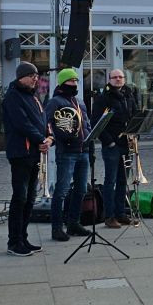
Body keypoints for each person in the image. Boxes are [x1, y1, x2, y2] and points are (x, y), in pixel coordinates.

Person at [0, 62, 50, 256]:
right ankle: (14, 242)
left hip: (34, 152)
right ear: (21, 77)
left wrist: (49, 137)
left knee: (30, 199)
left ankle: (23, 238)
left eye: (36, 76)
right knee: (20, 198)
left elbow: (43, 120)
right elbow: (23, 124)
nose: (35, 79)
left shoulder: (34, 96)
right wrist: (41, 139)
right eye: (31, 76)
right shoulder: (13, 97)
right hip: (21, 153)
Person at [46, 68, 93, 242]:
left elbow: (86, 124)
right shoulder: (55, 102)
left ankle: (74, 223)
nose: (74, 83)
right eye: (71, 81)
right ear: (62, 82)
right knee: (61, 191)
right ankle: (57, 228)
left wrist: (90, 145)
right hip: (66, 152)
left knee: (81, 190)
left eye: (76, 81)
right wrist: (56, 138)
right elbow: (47, 124)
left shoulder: (79, 102)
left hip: (83, 151)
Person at [93, 68, 136, 229]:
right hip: (112, 145)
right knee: (110, 181)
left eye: (120, 77)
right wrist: (109, 141)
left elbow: (134, 115)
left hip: (127, 144)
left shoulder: (129, 95)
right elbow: (96, 122)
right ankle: (109, 216)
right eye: (115, 77)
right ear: (109, 80)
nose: (118, 79)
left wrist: (135, 133)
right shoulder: (103, 98)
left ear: (124, 78)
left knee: (123, 181)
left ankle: (121, 214)